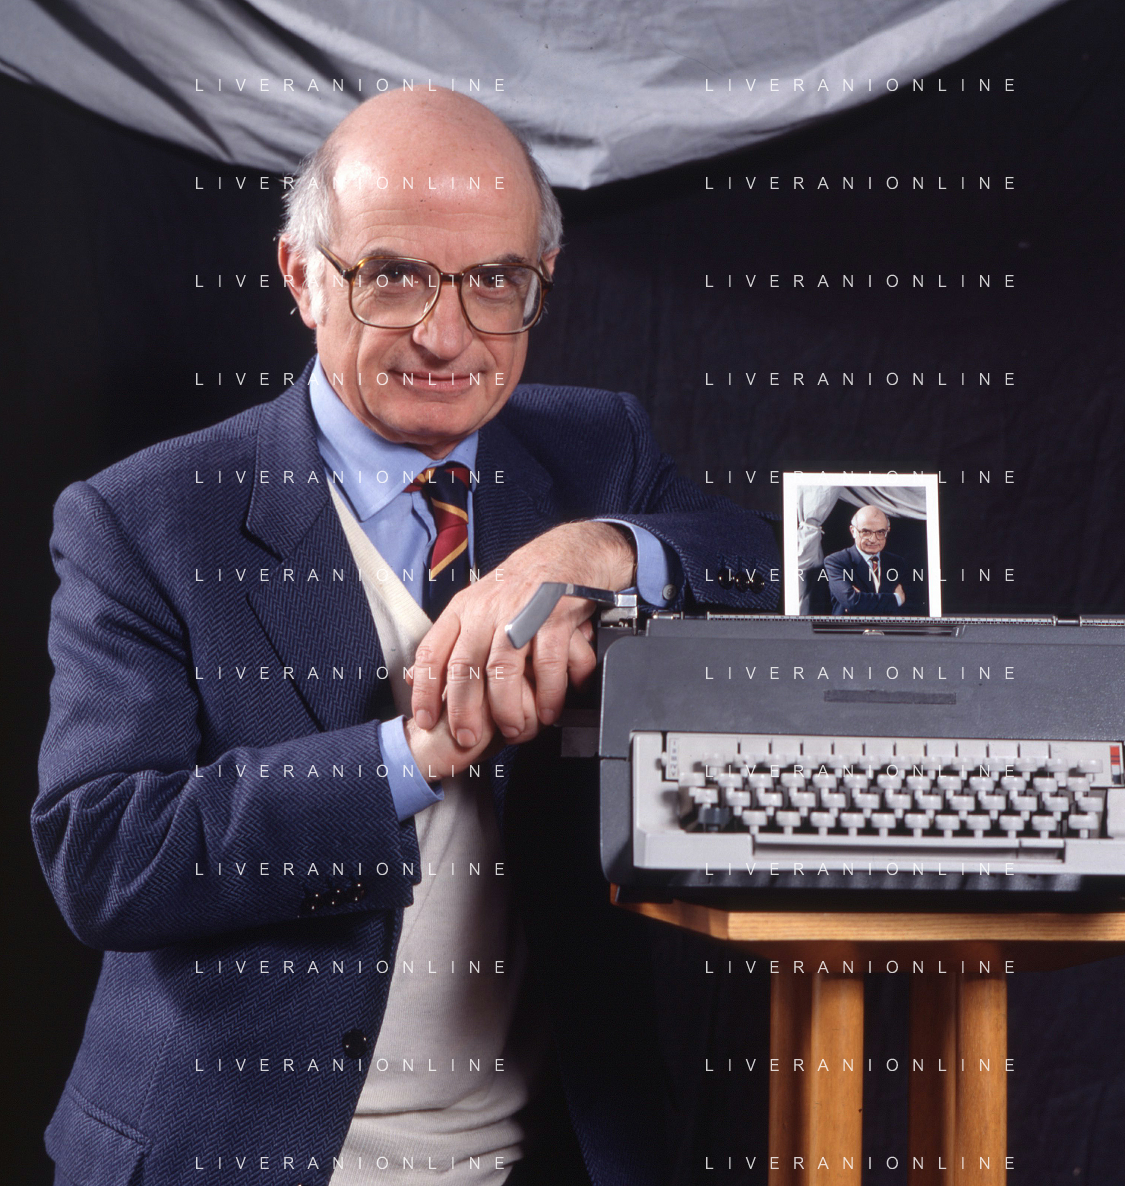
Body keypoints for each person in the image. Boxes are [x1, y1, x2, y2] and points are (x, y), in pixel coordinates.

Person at [33, 89, 778, 1186]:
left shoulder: (596, 451)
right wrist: (409, 754)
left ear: (540, 282)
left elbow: (779, 570)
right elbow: (104, 856)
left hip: (548, 1155)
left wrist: (598, 549)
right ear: (302, 276)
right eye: (392, 276)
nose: (446, 334)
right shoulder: (144, 517)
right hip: (237, 1152)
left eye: (494, 281)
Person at [823, 505, 914, 615]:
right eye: (866, 532)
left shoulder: (898, 563)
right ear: (853, 531)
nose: (873, 539)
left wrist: (862, 604)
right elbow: (853, 602)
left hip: (888, 626)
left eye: (880, 532)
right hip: (850, 626)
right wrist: (896, 599)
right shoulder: (836, 561)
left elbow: (911, 608)